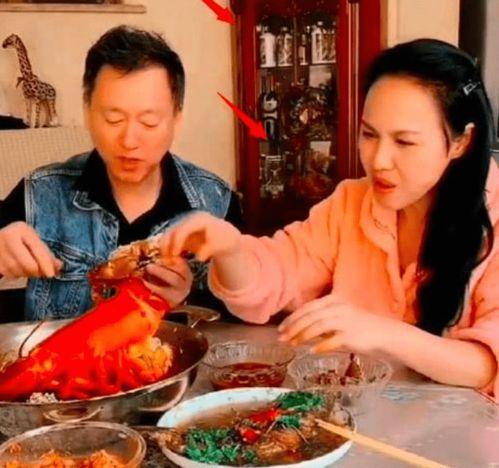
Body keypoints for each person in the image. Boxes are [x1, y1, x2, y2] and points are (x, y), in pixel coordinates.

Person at [159, 39, 499, 396]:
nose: (379, 160)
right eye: (369, 134)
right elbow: (274, 276)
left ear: (461, 141)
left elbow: (488, 365)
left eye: (404, 142)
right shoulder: (351, 203)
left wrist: (380, 331)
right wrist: (230, 249)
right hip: (360, 416)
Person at [0, 25, 241, 320]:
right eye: (113, 119)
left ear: (177, 120)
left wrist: (189, 297)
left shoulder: (216, 202)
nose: (129, 141)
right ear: (88, 113)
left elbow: (247, 320)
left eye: (149, 122)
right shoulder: (40, 194)